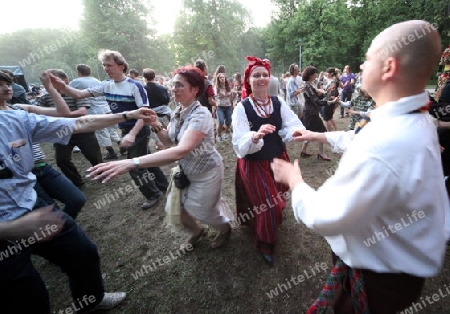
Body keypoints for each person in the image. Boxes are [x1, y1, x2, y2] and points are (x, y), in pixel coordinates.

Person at [271, 20, 448, 313]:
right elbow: (359, 135)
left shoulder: (387, 142)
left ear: (389, 67)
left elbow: (328, 215)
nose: (362, 67)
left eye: (368, 59)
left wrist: (295, 181)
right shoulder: (412, 118)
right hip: (394, 270)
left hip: (377, 279)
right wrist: (318, 135)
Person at [0, 71, 154, 313]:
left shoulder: (14, 119)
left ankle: (90, 301)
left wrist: (127, 115)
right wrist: (10, 229)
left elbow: (78, 122)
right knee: (29, 296)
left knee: (83, 253)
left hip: (32, 204)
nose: (5, 88)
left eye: (7, 83)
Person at [87, 66, 233, 249]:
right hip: (187, 171)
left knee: (205, 211)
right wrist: (155, 123)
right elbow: (170, 141)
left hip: (207, 171)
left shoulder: (201, 114)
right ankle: (197, 232)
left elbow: (181, 150)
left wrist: (132, 162)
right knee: (175, 208)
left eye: (179, 85)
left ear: (195, 89)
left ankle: (225, 229)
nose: (173, 89)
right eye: (173, 85)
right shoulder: (178, 112)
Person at [49, 50, 168, 210]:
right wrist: (62, 86)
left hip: (139, 129)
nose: (106, 68)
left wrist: (132, 134)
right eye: (104, 65)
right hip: (126, 130)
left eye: (109, 65)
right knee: (145, 159)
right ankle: (163, 185)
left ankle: (152, 194)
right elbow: (79, 94)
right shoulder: (105, 85)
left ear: (121, 66)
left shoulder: (135, 86)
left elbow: (145, 113)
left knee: (133, 165)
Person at [231, 56, 306, 266]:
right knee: (268, 207)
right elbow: (239, 142)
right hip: (255, 163)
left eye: (265, 74)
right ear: (249, 80)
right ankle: (265, 243)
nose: (262, 78)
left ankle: (269, 222)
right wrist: (255, 135)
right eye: (256, 75)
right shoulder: (242, 108)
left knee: (279, 195)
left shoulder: (277, 101)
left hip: (278, 158)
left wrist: (297, 132)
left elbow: (291, 124)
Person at [38, 69, 103, 188]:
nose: (50, 83)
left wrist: (61, 114)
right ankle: (77, 182)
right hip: (61, 132)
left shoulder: (76, 94)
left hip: (82, 129)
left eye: (54, 80)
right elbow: (41, 114)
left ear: (65, 80)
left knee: (93, 155)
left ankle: (102, 174)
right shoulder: (45, 98)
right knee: (61, 160)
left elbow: (82, 111)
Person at [70, 64, 125, 160]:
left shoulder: (75, 82)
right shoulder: (97, 81)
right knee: (110, 129)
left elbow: (69, 93)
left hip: (93, 110)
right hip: (106, 108)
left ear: (79, 72)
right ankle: (121, 145)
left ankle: (111, 152)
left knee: (101, 131)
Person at [300, 66, 339, 160]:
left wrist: (327, 93)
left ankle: (304, 151)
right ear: (310, 75)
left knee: (309, 132)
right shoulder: (308, 86)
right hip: (311, 113)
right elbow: (317, 102)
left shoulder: (309, 85)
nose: (316, 75)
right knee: (322, 132)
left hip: (311, 113)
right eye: (314, 73)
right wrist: (331, 102)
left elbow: (318, 98)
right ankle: (321, 153)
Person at [142, 68, 172, 150]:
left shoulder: (143, 90)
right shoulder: (162, 88)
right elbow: (167, 100)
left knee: (157, 134)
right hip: (165, 113)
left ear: (144, 77)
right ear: (154, 76)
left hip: (152, 115)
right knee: (170, 132)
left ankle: (162, 148)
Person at [214, 73, 234, 142]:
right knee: (221, 122)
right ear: (218, 79)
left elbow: (231, 98)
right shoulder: (217, 88)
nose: (222, 78)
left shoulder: (228, 87)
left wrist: (233, 95)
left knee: (229, 122)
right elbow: (215, 97)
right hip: (220, 107)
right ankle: (218, 135)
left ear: (225, 78)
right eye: (220, 77)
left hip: (228, 106)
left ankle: (226, 132)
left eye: (223, 77)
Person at [322, 67, 340, 131]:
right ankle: (336, 129)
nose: (326, 74)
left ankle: (330, 132)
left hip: (329, 101)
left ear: (331, 73)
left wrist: (325, 91)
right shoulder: (329, 80)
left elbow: (331, 92)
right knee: (329, 117)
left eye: (327, 72)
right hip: (328, 100)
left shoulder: (333, 81)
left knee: (326, 118)